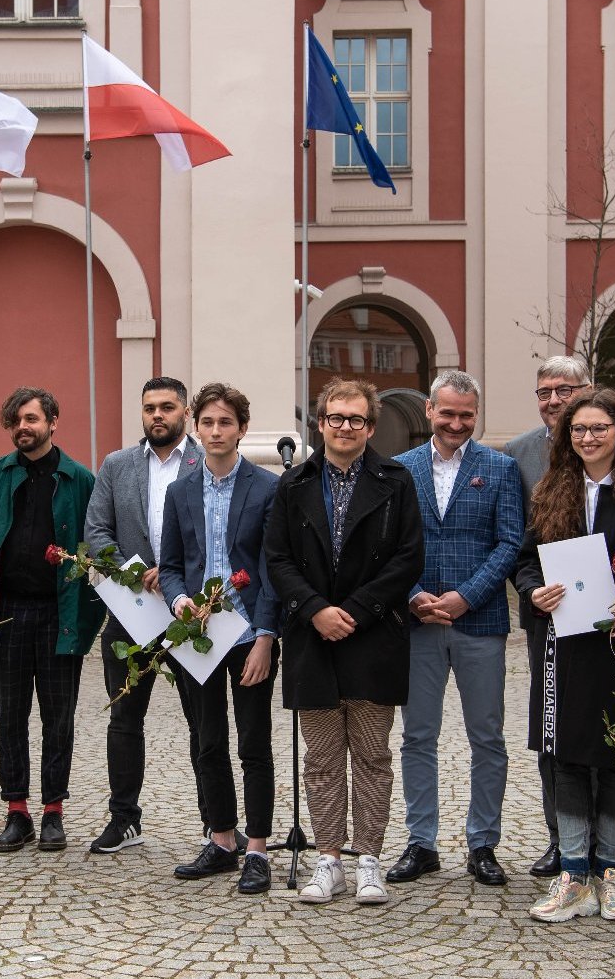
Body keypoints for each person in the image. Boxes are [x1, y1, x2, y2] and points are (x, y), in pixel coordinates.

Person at [514, 388, 615, 923]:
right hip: (562, 646)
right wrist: (533, 591)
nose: (587, 438)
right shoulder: (551, 491)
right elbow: (525, 562)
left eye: (598, 429)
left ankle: (609, 869)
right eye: (578, 430)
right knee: (564, 755)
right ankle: (572, 872)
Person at [265, 378, 425, 906]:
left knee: (373, 756)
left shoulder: (396, 481)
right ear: (320, 422)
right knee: (323, 758)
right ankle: (329, 858)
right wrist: (315, 610)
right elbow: (278, 559)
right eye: (336, 417)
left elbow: (408, 558)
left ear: (371, 426)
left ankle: (370, 860)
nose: (345, 427)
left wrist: (352, 611)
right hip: (313, 637)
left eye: (356, 419)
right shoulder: (293, 484)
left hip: (373, 635)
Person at [390, 371, 524, 888]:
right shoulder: (400, 470)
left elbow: (509, 542)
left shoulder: (500, 468)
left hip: (480, 621)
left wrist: (467, 596)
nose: (457, 423)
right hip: (418, 622)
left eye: (467, 415)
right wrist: (414, 595)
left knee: (487, 737)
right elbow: (393, 547)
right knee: (418, 735)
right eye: (447, 413)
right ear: (429, 410)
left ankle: (482, 843)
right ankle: (420, 842)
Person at [159, 382, 282, 894]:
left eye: (225, 422)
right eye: (207, 422)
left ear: (242, 429)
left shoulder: (268, 487)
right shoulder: (179, 490)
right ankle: (222, 839)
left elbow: (276, 570)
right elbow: (169, 566)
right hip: (199, 636)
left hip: (248, 632)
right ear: (196, 427)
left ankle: (257, 848)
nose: (215, 431)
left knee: (253, 741)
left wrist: (267, 637)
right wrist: (177, 600)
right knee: (207, 741)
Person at [0, 387, 102, 853]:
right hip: (5, 615)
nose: (22, 428)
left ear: (53, 421)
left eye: (30, 419)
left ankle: (53, 812)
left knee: (58, 716)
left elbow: (95, 545)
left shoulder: (79, 479)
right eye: (15, 421)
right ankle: (16, 811)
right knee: (9, 715)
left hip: (60, 615)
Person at [84, 377, 204, 854]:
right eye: (150, 407)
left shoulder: (205, 462)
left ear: (186, 411)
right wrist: (135, 572)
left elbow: (217, 535)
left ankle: (215, 823)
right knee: (124, 719)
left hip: (194, 615)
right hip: (132, 615)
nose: (158, 415)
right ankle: (124, 819)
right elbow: (97, 531)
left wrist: (175, 576)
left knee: (204, 721)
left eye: (168, 407)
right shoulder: (117, 465)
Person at [501, 355, 590, 879]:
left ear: (587, 389)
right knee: (551, 726)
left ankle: (604, 841)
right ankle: (561, 837)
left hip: (610, 614)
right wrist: (530, 591)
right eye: (544, 392)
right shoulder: (519, 455)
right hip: (546, 612)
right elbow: (517, 539)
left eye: (564, 389)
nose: (553, 400)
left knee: (603, 724)